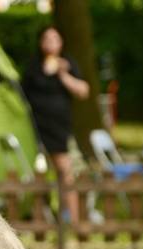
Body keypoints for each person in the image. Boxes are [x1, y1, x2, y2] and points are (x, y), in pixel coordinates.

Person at [22, 26, 90, 225]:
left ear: (61, 43)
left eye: (55, 38)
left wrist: (63, 74)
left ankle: (73, 221)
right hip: (36, 128)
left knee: (65, 172)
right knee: (39, 173)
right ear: (40, 42)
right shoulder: (33, 66)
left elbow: (83, 91)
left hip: (59, 128)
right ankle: (41, 218)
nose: (51, 42)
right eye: (46, 38)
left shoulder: (68, 64)